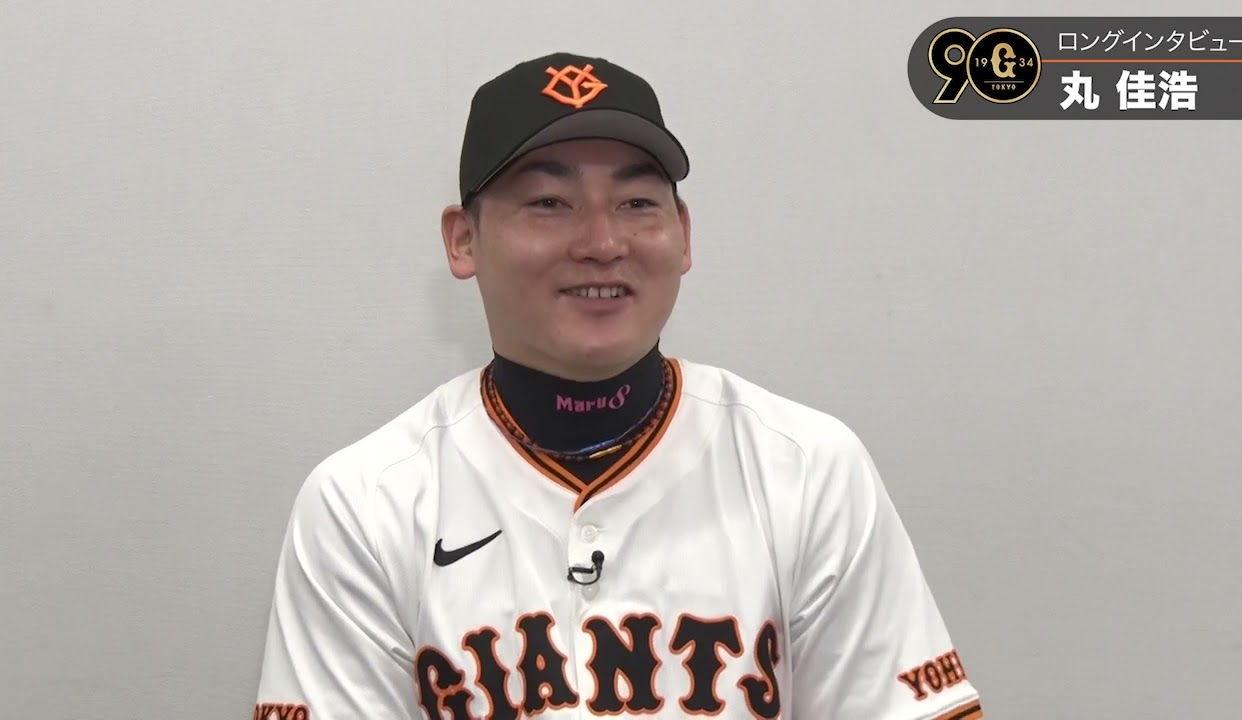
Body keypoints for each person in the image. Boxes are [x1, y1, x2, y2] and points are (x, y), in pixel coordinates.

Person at [253, 51, 983, 720]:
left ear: (683, 233)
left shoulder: (807, 468)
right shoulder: (365, 504)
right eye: (549, 202)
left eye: (636, 203)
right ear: (463, 239)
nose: (603, 243)